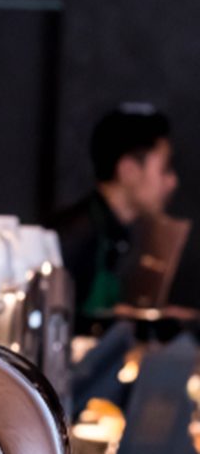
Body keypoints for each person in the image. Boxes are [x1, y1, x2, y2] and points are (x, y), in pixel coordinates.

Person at [50, 103, 178, 322]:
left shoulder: (117, 232)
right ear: (128, 170)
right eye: (165, 169)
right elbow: (56, 323)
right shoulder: (75, 235)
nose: (173, 182)